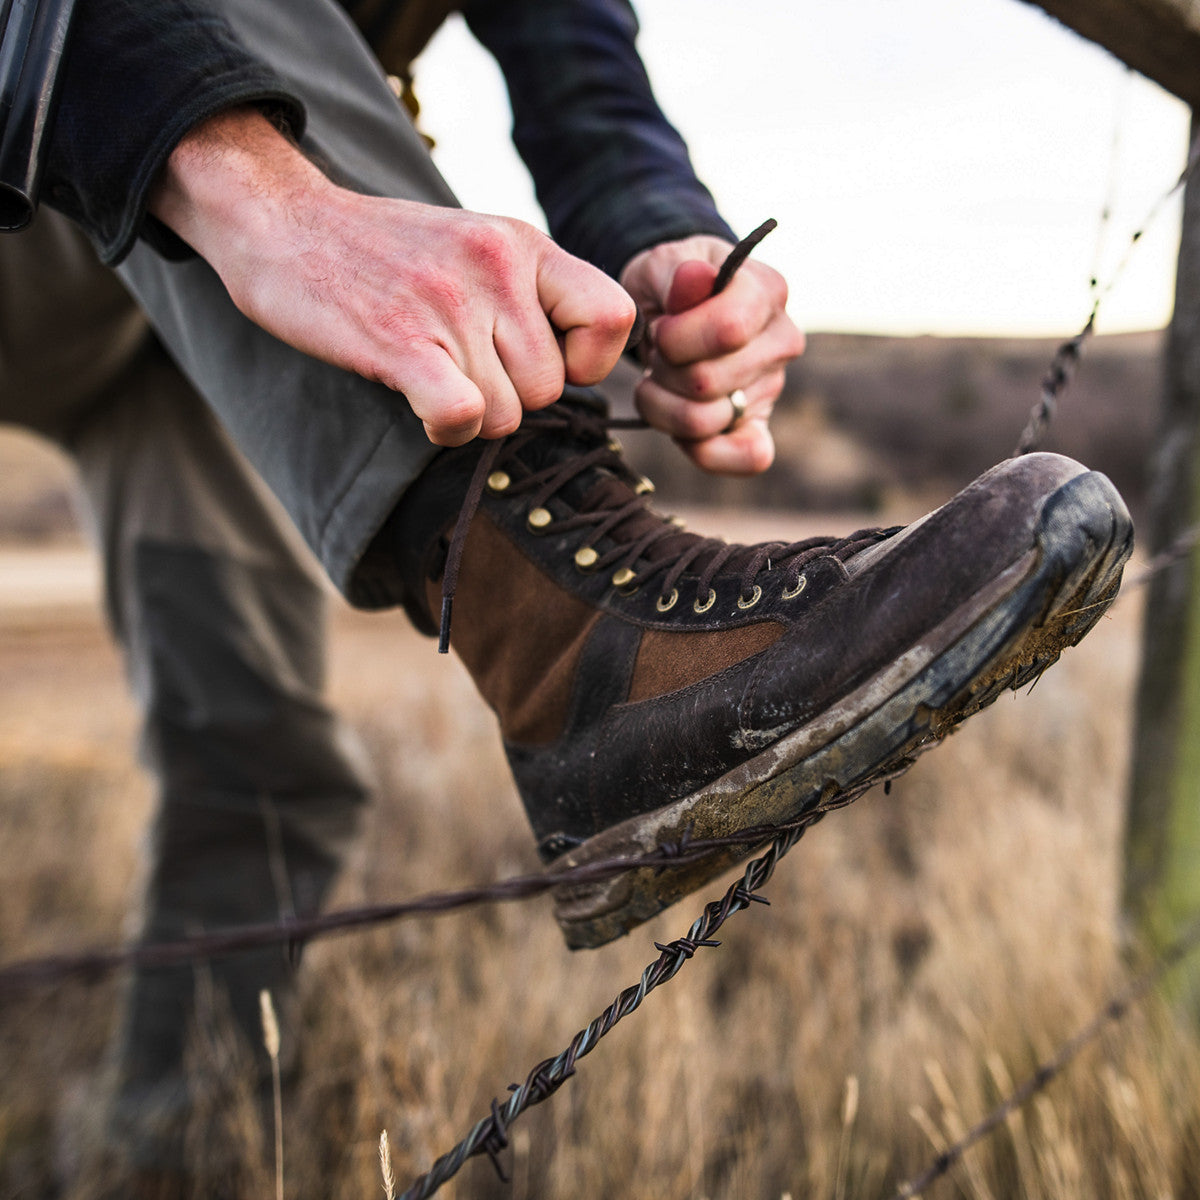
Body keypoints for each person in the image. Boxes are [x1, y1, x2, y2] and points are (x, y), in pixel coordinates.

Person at [3, 0, 1132, 1189]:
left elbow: (570, 54)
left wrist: (659, 238)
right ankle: (549, 611)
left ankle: (156, 1150)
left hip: (159, 274)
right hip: (53, 169)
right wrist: (268, 199)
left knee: (258, 764)